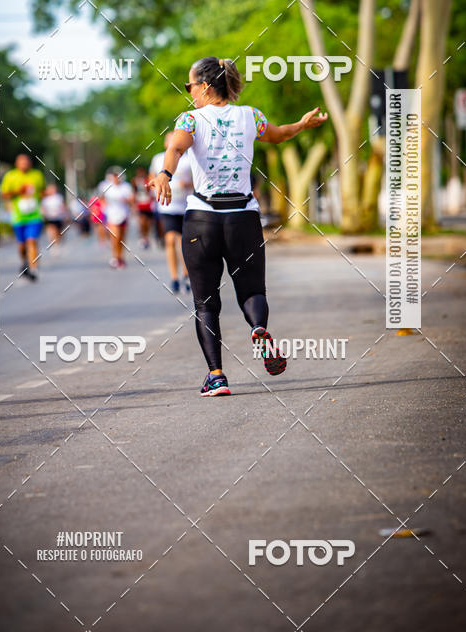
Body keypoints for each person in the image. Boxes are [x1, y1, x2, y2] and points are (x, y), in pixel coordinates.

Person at [150, 56, 327, 396]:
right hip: (243, 216)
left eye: (190, 86)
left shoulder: (190, 119)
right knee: (252, 291)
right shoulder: (251, 116)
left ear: (205, 86)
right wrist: (302, 125)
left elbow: (175, 148)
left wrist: (163, 175)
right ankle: (258, 328)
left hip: (203, 218)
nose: (189, 92)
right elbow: (279, 135)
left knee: (206, 303)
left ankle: (217, 376)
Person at [150, 134, 193, 293]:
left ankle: (186, 275)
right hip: (167, 207)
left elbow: (199, 181)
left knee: (183, 242)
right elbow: (152, 177)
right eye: (169, 139)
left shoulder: (189, 159)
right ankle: (174, 277)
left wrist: (187, 184)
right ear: (165, 143)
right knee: (169, 240)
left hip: (186, 206)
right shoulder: (157, 159)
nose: (172, 141)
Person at [1, 154, 46, 281]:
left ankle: (34, 269)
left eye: (26, 162)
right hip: (18, 217)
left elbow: (43, 191)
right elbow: (4, 194)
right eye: (21, 162)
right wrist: (18, 192)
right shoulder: (11, 176)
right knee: (21, 245)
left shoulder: (37, 175)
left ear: (30, 163)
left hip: (34, 216)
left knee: (32, 241)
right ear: (17, 164)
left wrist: (41, 198)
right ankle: (24, 261)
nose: (24, 164)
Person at [100, 166, 133, 268]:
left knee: (121, 238)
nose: (115, 178)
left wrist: (126, 200)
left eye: (117, 176)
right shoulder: (105, 186)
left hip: (123, 215)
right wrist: (103, 205)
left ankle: (120, 257)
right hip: (111, 215)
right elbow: (101, 198)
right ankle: (115, 257)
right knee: (115, 236)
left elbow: (132, 199)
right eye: (113, 176)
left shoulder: (126, 187)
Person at [131, 166, 154, 249]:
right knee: (141, 222)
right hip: (140, 204)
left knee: (148, 223)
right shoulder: (134, 181)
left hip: (148, 203)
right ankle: (142, 237)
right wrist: (133, 205)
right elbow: (134, 192)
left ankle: (146, 236)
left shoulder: (148, 180)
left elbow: (151, 191)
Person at [41, 183, 67, 249]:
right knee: (52, 231)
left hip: (58, 218)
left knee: (59, 233)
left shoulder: (59, 197)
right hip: (50, 218)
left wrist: (63, 213)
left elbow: (62, 206)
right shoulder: (45, 199)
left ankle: (58, 243)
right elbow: (43, 208)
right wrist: (44, 214)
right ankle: (53, 244)